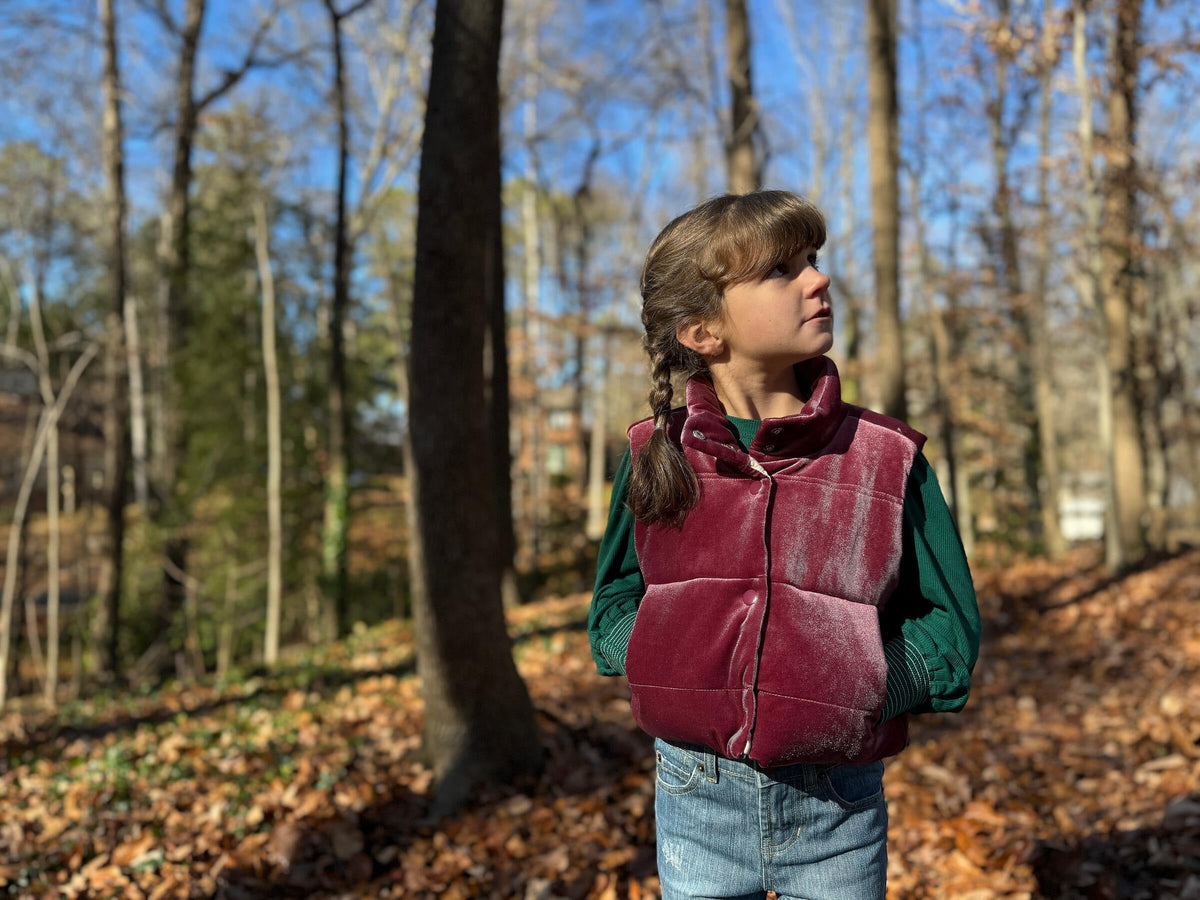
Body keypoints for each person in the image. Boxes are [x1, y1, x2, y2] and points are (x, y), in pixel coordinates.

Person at [588, 190, 980, 900]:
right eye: (781, 271)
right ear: (702, 331)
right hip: (693, 793)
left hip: (838, 804)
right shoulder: (654, 454)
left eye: (813, 261)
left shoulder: (886, 457)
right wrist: (665, 664)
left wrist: (857, 691)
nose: (818, 280)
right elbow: (613, 605)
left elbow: (949, 630)